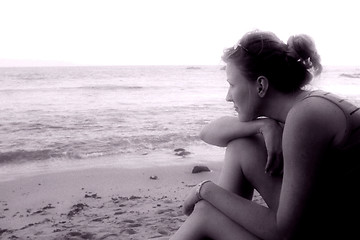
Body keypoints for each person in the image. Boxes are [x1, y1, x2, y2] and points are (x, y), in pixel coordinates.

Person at [170, 30, 360, 239]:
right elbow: (207, 132)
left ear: (261, 85)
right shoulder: (303, 106)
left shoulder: (305, 117)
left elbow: (283, 231)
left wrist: (204, 190)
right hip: (324, 221)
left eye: (232, 85)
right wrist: (264, 126)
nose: (227, 97)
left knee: (205, 214)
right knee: (241, 147)